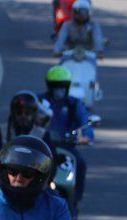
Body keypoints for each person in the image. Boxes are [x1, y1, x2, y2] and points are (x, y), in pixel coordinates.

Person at [0, 91, 56, 185]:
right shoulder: (1, 131)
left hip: (35, 184)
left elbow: (52, 159)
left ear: (34, 114)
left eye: (27, 113)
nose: (23, 116)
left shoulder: (43, 134)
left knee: (55, 198)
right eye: (19, 112)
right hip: (3, 182)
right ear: (13, 113)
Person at [39, 65, 92, 202]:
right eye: (56, 86)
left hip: (66, 146)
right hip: (42, 145)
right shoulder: (39, 102)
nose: (59, 90)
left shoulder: (74, 104)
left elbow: (85, 120)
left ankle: (74, 201)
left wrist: (87, 136)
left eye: (62, 86)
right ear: (49, 86)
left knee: (80, 164)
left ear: (68, 87)